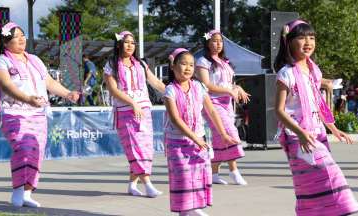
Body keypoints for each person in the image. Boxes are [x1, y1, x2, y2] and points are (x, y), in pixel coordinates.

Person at [274, 19, 358, 215]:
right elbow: (279, 110)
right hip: (298, 137)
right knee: (331, 176)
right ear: (288, 42)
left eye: (311, 38)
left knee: (313, 185)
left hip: (316, 133)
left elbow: (318, 104)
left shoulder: (314, 71)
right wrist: (301, 133)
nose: (308, 42)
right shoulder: (286, 73)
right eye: (302, 38)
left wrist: (333, 128)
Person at [0, 22, 79, 207]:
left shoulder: (35, 60)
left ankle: (27, 193)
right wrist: (27, 98)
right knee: (23, 147)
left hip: (38, 114)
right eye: (16, 36)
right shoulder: (1, 61)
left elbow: (49, 82)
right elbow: (6, 85)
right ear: (6, 42)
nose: (22, 39)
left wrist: (67, 93)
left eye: (23, 35)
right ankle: (17, 190)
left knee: (36, 153)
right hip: (14, 112)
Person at [164, 48, 239, 216]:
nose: (188, 68)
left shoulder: (198, 86)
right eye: (183, 64)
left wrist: (223, 134)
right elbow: (176, 120)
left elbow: (212, 111)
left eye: (191, 64)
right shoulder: (170, 90)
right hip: (177, 142)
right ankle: (185, 210)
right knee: (183, 177)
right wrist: (195, 139)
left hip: (198, 138)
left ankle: (192, 208)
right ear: (173, 66)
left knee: (198, 174)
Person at [103, 31, 165, 198]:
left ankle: (132, 185)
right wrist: (132, 103)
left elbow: (155, 82)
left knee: (145, 147)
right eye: (126, 42)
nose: (130, 45)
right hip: (125, 111)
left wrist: (173, 93)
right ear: (119, 44)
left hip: (144, 110)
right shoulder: (111, 64)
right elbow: (114, 90)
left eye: (133, 42)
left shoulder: (140, 64)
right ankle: (147, 183)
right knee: (136, 147)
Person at [195, 29, 250, 185]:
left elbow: (229, 83)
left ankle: (213, 173)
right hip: (211, 102)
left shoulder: (225, 62)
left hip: (227, 104)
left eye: (220, 41)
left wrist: (238, 88)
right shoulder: (202, 62)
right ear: (207, 42)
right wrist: (228, 90)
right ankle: (234, 171)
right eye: (214, 41)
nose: (218, 44)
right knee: (229, 132)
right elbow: (207, 85)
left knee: (220, 137)